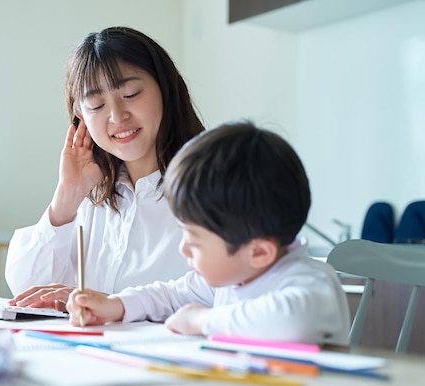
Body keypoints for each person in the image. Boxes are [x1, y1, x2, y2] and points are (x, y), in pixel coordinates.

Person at [66, 120, 351, 344]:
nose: (184, 249)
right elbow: (170, 295)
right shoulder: (232, 277)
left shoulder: (312, 284)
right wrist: (115, 305)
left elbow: (292, 323)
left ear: (259, 252)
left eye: (196, 243)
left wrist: (204, 320)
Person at [5, 26, 205, 311]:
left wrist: (115, 306)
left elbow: (220, 292)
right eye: (97, 105)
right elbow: (27, 291)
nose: (117, 116)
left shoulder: (211, 187)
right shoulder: (92, 197)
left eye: (131, 94)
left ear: (164, 88)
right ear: (80, 115)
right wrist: (66, 199)